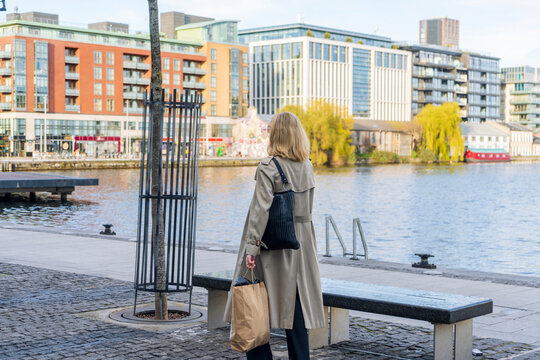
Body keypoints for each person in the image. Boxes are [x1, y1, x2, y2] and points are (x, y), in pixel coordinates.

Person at [223, 112, 325, 360]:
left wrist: (251, 249)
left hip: (272, 244)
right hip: (302, 245)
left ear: (277, 135)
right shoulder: (308, 165)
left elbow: (260, 211)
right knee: (297, 307)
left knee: (253, 301)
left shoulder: (269, 167)